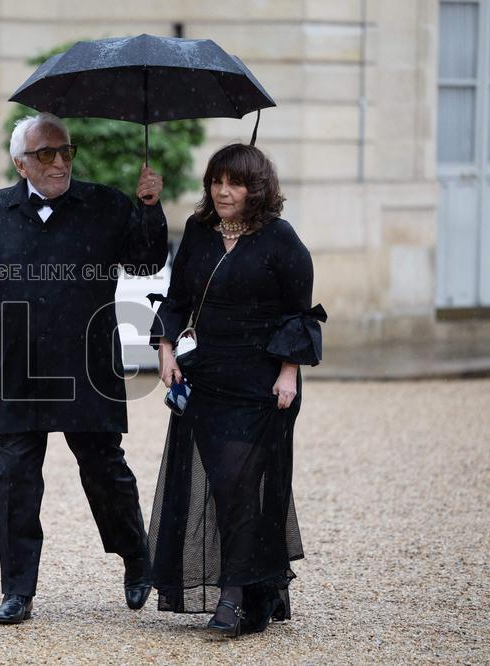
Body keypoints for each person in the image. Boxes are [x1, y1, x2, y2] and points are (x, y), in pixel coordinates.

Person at [0, 112, 168, 624]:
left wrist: (149, 207)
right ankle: (17, 590)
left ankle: (137, 558)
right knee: (14, 479)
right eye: (46, 154)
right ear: (20, 164)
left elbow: (146, 262)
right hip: (17, 368)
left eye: (66, 151)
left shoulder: (106, 205)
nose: (59, 163)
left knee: (105, 471)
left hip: (86, 365)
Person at [147, 143, 326, 637]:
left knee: (239, 485)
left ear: (257, 188)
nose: (223, 191)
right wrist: (165, 349)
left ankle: (232, 597)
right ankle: (253, 593)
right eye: (216, 181)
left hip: (262, 384)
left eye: (236, 183)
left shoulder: (281, 239)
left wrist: (288, 372)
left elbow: (299, 313)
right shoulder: (198, 231)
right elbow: (178, 298)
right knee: (228, 488)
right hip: (207, 379)